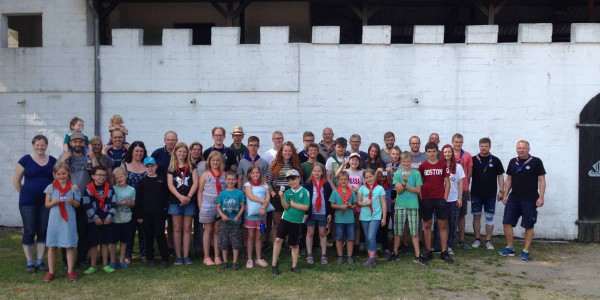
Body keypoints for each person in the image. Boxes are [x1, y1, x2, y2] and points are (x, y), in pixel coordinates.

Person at [13, 135, 57, 273]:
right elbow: (16, 181)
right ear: (33, 145)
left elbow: (57, 180)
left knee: (43, 231)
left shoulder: (52, 161)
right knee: (29, 231)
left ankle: (40, 261)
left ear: (46, 145)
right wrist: (25, 193)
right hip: (28, 203)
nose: (40, 147)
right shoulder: (25, 160)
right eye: (37, 145)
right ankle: (30, 262)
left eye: (42, 145)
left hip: (46, 203)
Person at [498, 140, 546, 262]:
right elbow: (509, 179)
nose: (521, 150)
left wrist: (541, 197)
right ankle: (510, 248)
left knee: (528, 225)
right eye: (519, 148)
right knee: (507, 222)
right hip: (514, 198)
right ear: (516, 149)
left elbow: (542, 180)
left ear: (528, 149)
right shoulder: (513, 162)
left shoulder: (536, 161)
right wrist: (505, 194)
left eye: (524, 148)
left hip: (530, 199)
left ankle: (525, 251)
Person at [58, 131, 91, 269]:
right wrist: (63, 158)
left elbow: (96, 172)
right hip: (68, 198)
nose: (78, 144)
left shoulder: (88, 157)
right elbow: (56, 172)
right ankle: (67, 261)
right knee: (68, 230)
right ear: (70, 143)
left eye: (80, 141)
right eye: (75, 141)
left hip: (85, 197)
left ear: (84, 143)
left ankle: (82, 259)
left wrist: (92, 157)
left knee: (84, 230)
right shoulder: (64, 156)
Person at [43, 162, 81, 282]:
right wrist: (54, 202)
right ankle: (51, 272)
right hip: (55, 221)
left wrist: (72, 201)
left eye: (64, 173)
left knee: (69, 246)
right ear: (54, 174)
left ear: (68, 173)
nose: (61, 176)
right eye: (58, 174)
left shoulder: (73, 187)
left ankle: (70, 271)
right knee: (52, 246)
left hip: (68, 220)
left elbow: (78, 204)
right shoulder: (51, 187)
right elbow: (47, 204)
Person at [419, 142, 453, 264]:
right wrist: (421, 197)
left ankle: (444, 252)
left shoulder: (443, 165)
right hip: (427, 199)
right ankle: (428, 251)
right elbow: (420, 183)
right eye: (429, 151)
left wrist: (445, 197)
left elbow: (447, 182)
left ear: (437, 152)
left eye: (434, 151)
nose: (432, 154)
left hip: (440, 198)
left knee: (443, 225)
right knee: (427, 225)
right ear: (426, 152)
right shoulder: (422, 166)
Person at [271, 169, 309, 275]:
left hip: (297, 221)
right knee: (278, 239)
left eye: (293, 179)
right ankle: (274, 264)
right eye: (289, 180)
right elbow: (286, 207)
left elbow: (306, 207)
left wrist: (294, 205)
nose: (291, 182)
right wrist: (282, 197)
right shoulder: (287, 192)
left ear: (298, 179)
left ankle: (294, 266)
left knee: (294, 244)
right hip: (286, 219)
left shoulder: (305, 192)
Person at [390, 152, 425, 265]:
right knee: (398, 231)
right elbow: (398, 191)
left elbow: (418, 190)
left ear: (411, 161)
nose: (406, 163)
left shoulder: (416, 173)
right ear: (401, 161)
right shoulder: (397, 174)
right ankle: (395, 253)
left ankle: (418, 255)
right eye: (404, 161)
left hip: (413, 205)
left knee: (414, 232)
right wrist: (403, 183)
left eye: (408, 161)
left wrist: (405, 185)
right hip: (400, 205)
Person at [167, 142, 198, 266]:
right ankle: (178, 256)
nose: (182, 154)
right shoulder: (171, 167)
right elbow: (170, 184)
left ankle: (186, 255)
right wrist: (179, 196)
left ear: (187, 153)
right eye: (179, 151)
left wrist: (189, 196)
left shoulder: (192, 166)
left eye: (184, 152)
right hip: (175, 201)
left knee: (187, 229)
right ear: (175, 152)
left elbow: (195, 183)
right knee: (177, 228)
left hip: (189, 201)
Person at [470, 138, 505, 250]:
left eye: (486, 146)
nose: (484, 148)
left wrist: (502, 190)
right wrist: (467, 190)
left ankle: (488, 240)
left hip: (490, 195)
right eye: (482, 146)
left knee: (489, 217)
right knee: (476, 216)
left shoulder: (495, 160)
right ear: (479, 146)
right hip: (476, 193)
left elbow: (500, 176)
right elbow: (468, 176)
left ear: (490, 147)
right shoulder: (473, 159)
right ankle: (477, 239)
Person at [135, 157, 170, 268]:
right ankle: (150, 258)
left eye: (152, 166)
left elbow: (166, 197)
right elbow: (138, 200)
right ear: (144, 168)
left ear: (156, 166)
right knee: (148, 236)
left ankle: (165, 258)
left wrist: (165, 212)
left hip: (159, 213)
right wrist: (139, 215)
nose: (150, 168)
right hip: (146, 214)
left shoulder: (162, 180)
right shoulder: (141, 182)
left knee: (160, 235)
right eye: (148, 166)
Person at [267, 141, 302, 247]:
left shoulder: (295, 164)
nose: (287, 152)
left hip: (292, 193)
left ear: (293, 152)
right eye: (285, 150)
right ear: (281, 151)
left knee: (292, 221)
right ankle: (275, 246)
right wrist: (272, 191)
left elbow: (301, 181)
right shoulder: (275, 164)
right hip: (278, 194)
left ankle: (291, 245)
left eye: (289, 150)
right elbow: (268, 181)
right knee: (277, 222)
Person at [82, 166, 116, 274]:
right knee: (93, 243)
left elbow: (113, 203)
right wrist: (95, 217)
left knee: (105, 243)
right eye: (99, 175)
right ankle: (93, 265)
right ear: (93, 176)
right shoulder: (88, 189)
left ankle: (105, 264)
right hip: (93, 220)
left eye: (104, 175)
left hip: (106, 219)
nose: (101, 177)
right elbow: (86, 205)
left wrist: (109, 216)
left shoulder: (110, 188)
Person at [198, 151, 226, 266]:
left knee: (217, 231)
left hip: (219, 206)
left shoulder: (224, 175)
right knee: (208, 230)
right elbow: (200, 191)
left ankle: (217, 256)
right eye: (213, 160)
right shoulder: (206, 174)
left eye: (217, 160)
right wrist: (200, 205)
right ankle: (206, 257)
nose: (215, 162)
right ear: (209, 161)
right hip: (207, 205)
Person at [122, 141, 147, 264]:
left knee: (144, 230)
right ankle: (128, 254)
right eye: (136, 151)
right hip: (128, 203)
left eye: (141, 151)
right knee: (129, 230)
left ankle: (144, 253)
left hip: (144, 203)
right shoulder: (124, 166)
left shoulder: (147, 165)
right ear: (131, 151)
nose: (139, 153)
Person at [303, 163, 333, 265]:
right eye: (315, 171)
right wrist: (305, 213)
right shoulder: (307, 184)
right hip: (311, 212)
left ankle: (324, 254)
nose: (317, 173)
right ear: (312, 172)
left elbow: (329, 200)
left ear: (322, 172)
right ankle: (309, 254)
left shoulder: (326, 184)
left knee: (322, 233)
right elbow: (305, 200)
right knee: (310, 233)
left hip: (322, 212)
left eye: (319, 171)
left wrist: (329, 213)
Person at [356, 168, 387, 268]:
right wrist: (365, 203)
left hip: (376, 216)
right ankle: (371, 254)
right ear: (364, 179)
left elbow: (384, 204)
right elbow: (358, 202)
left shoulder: (379, 188)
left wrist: (384, 218)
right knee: (366, 237)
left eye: (370, 176)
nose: (369, 179)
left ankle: (372, 258)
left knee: (371, 236)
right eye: (366, 177)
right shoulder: (362, 188)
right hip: (364, 216)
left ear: (374, 176)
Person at [216, 171, 246, 270]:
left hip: (236, 222)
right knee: (224, 241)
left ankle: (235, 262)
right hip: (224, 221)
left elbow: (242, 206)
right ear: (225, 181)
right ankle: (224, 261)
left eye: (233, 179)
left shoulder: (239, 193)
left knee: (235, 241)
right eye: (228, 179)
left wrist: (238, 216)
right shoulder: (222, 193)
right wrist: (222, 216)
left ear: (236, 181)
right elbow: (218, 207)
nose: (230, 181)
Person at [243, 165, 271, 268]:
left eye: (257, 172)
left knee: (259, 236)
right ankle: (250, 259)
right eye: (253, 173)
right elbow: (250, 196)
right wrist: (263, 201)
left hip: (262, 215)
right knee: (250, 236)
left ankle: (258, 258)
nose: (255, 174)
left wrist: (264, 207)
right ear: (249, 174)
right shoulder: (247, 184)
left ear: (260, 173)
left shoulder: (264, 184)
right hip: (251, 216)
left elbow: (268, 196)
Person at [335, 152, 363, 253]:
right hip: (344, 201)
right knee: (344, 223)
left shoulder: (361, 172)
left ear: (359, 162)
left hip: (357, 201)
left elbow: (365, 185)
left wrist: (359, 188)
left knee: (356, 224)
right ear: (349, 161)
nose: (354, 162)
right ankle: (342, 244)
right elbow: (336, 175)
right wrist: (342, 165)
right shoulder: (346, 171)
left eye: (356, 160)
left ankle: (356, 245)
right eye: (352, 159)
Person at [441, 144, 465, 255]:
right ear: (442, 153)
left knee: (453, 223)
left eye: (449, 152)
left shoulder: (458, 167)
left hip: (454, 199)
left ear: (452, 153)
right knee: (440, 224)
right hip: (441, 199)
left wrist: (460, 197)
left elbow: (460, 183)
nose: (447, 154)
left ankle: (450, 245)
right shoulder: (439, 166)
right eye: (445, 152)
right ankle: (439, 246)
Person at [109, 167, 135, 269]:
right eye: (116, 178)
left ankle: (122, 260)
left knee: (124, 241)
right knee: (113, 241)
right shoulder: (113, 189)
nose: (119, 179)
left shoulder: (132, 189)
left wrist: (130, 203)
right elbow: (111, 203)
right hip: (115, 219)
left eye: (121, 177)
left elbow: (133, 204)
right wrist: (119, 203)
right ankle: (112, 261)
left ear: (126, 176)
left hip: (127, 219)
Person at [329, 171, 357, 264]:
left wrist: (350, 205)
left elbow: (355, 205)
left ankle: (349, 256)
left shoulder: (351, 192)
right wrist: (340, 207)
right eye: (341, 179)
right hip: (339, 219)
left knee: (350, 238)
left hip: (350, 219)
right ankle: (340, 256)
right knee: (339, 238)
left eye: (345, 179)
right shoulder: (335, 192)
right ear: (338, 180)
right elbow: (332, 205)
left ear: (348, 180)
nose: (343, 181)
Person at [452, 133, 473, 250]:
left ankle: (461, 239)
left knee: (461, 215)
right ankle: (451, 238)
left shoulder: (467, 156)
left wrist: (466, 186)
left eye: (460, 142)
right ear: (452, 142)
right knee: (449, 215)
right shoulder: (447, 154)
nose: (458, 144)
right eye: (456, 142)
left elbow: (469, 173)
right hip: (449, 189)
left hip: (463, 189)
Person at [189, 141, 205, 258]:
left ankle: (198, 248)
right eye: (194, 149)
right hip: (188, 196)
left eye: (198, 150)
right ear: (190, 150)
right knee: (187, 224)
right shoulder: (185, 162)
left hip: (200, 196)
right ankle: (184, 248)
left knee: (199, 224)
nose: (196, 151)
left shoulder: (204, 164)